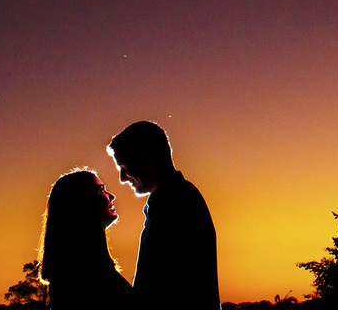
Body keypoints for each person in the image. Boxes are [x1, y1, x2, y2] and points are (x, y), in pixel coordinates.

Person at [108, 121, 221, 310]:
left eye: (125, 166)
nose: (122, 178)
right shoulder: (168, 202)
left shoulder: (178, 204)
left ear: (147, 157)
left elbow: (158, 291)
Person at [39, 168, 135, 310]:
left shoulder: (73, 270)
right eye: (101, 190)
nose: (112, 196)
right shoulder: (83, 274)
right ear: (82, 203)